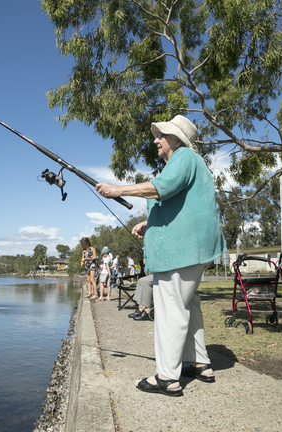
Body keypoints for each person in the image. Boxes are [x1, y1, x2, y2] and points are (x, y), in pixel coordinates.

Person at [96, 115, 226, 397]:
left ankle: (167, 376)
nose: (156, 140)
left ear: (177, 139)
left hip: (183, 251)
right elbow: (180, 201)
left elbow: (161, 187)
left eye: (161, 135)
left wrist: (118, 189)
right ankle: (200, 362)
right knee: (188, 305)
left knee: (170, 307)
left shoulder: (183, 156)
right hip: (192, 248)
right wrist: (148, 223)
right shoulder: (190, 162)